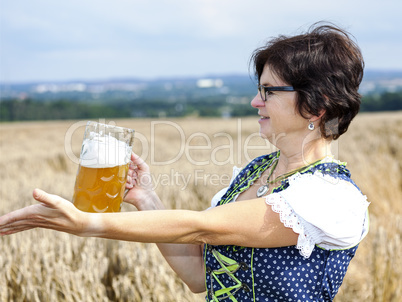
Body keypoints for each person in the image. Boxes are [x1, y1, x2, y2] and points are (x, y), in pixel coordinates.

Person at [0, 22, 369, 302]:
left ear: (316, 106)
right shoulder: (256, 172)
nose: (256, 102)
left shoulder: (331, 198)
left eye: (269, 91)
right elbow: (199, 277)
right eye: (259, 90)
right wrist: (147, 198)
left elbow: (200, 227)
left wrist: (88, 224)